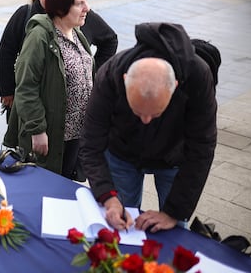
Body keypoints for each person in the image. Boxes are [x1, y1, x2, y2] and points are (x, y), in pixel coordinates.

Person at [79, 22, 217, 233]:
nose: (145, 119)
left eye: (156, 113)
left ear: (175, 87)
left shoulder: (198, 75)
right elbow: (90, 142)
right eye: (137, 111)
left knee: (175, 229)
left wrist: (174, 212)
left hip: (174, 156)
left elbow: (202, 147)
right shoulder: (109, 74)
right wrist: (107, 195)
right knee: (121, 224)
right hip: (122, 152)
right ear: (124, 81)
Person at [3, 0, 93, 180]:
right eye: (80, 3)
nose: (87, 8)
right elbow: (26, 87)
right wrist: (37, 130)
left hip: (74, 136)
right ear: (61, 7)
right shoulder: (39, 36)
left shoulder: (77, 34)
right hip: (50, 137)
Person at [0, 0, 117, 118]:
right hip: (36, 106)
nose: (47, 0)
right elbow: (6, 52)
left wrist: (92, 73)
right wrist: (7, 90)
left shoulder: (82, 17)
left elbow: (110, 40)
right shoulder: (25, 16)